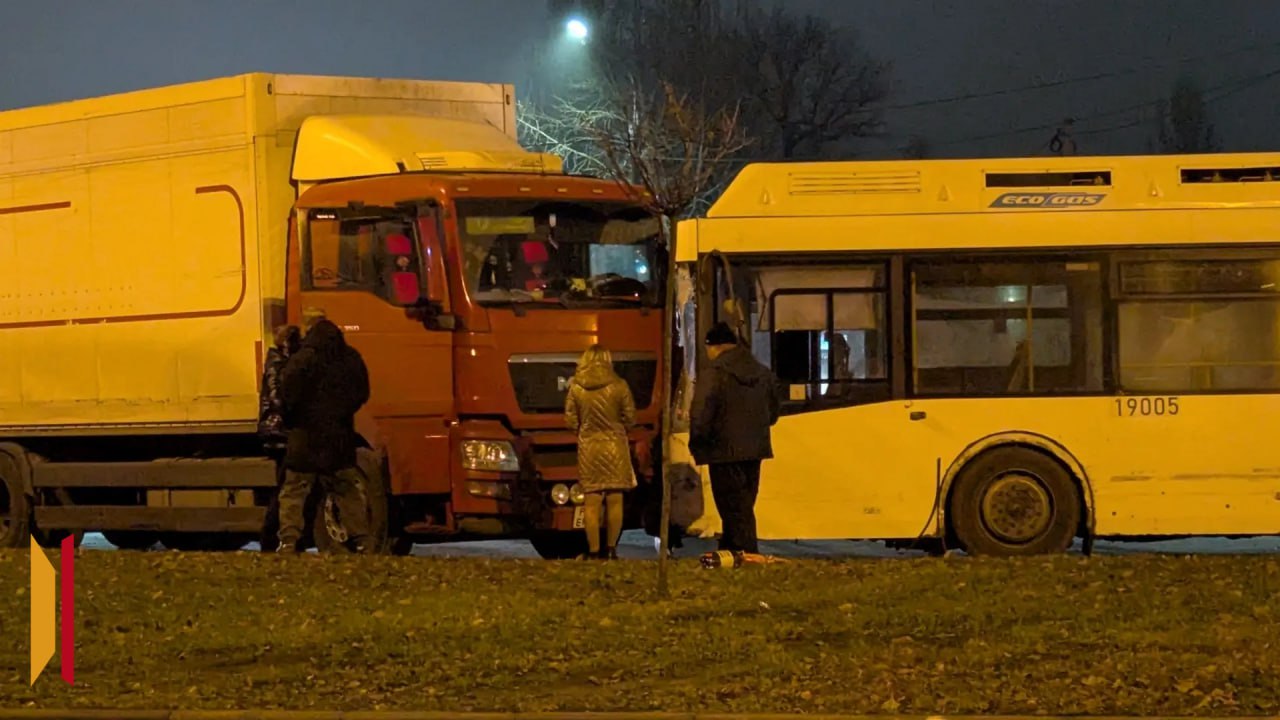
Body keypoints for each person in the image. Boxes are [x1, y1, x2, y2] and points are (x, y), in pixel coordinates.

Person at [276, 318, 373, 553]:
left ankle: (289, 540)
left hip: (305, 437)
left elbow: (286, 393)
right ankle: (361, 539)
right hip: (338, 437)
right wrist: (341, 413)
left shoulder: (302, 359)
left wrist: (293, 419)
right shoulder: (350, 358)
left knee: (294, 491)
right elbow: (362, 392)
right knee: (346, 489)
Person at [688, 322, 780, 555]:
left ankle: (746, 551)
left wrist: (697, 441)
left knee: (732, 505)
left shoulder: (714, 373)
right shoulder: (762, 372)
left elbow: (701, 412)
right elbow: (773, 413)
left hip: (722, 449)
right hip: (755, 448)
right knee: (743, 503)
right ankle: (730, 549)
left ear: (713, 347)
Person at [564, 344, 637, 560]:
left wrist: (584, 431)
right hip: (615, 446)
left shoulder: (576, 387)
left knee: (592, 501)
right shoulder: (619, 385)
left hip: (589, 448)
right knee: (615, 499)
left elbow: (570, 420)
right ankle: (611, 549)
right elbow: (630, 418)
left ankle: (594, 551)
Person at [257, 324, 301, 551]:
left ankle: (272, 538)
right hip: (279, 432)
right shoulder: (277, 365)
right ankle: (270, 538)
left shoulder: (277, 363)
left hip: (278, 431)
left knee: (284, 486)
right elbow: (277, 397)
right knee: (284, 487)